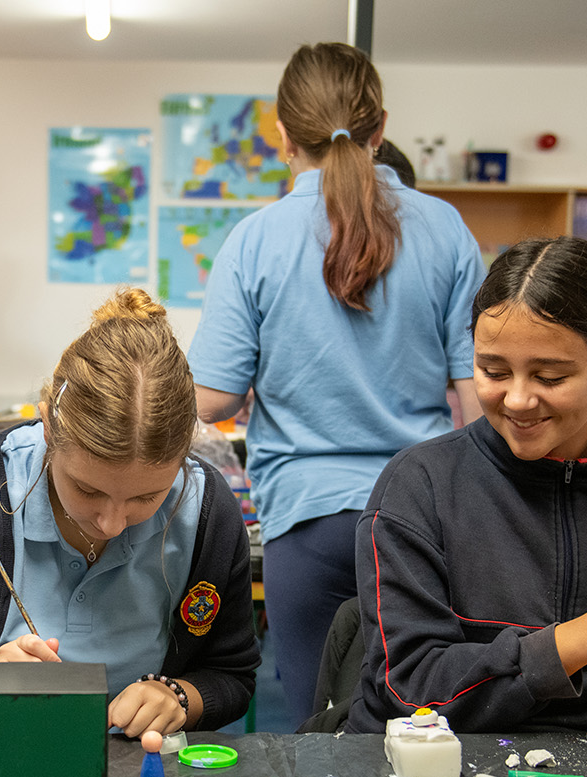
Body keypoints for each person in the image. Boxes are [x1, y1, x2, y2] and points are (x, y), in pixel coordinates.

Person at [187, 42, 486, 728]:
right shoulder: (444, 229)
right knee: (428, 733)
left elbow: (212, 399)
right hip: (424, 523)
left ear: (281, 135)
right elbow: (476, 396)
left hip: (305, 524)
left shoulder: (255, 240)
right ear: (381, 127)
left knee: (320, 738)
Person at [345, 237, 587, 735]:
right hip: (442, 766)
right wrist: (582, 640)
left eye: (550, 376)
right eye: (492, 371)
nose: (516, 399)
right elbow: (408, 690)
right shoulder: (420, 486)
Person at [0, 289, 260, 737]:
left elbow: (233, 675)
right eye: (88, 490)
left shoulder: (206, 512)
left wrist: (179, 699)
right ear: (49, 427)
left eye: (147, 498)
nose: (111, 524)